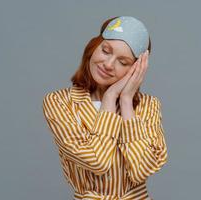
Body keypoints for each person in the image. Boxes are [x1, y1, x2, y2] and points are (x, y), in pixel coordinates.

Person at [42, 16, 168, 200]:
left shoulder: (148, 105)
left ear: (135, 69)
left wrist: (125, 100)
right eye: (106, 51)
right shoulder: (60, 102)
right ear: (93, 47)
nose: (108, 65)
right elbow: (97, 161)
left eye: (123, 62)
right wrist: (109, 98)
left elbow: (142, 170)